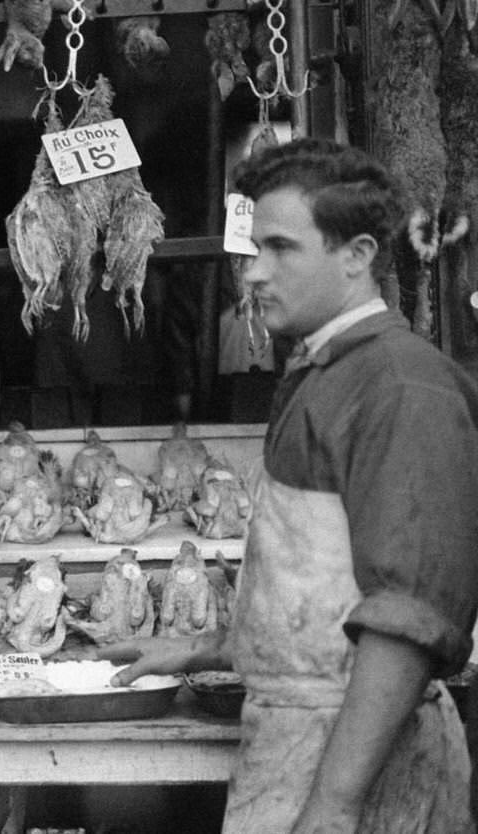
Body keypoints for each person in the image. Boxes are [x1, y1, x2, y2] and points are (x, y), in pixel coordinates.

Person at [100, 138, 478, 833]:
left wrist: (335, 804)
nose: (252, 274)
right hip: (302, 739)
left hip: (358, 758)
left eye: (280, 248)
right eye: (253, 248)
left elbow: (409, 618)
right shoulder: (323, 372)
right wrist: (217, 644)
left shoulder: (400, 386)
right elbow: (322, 579)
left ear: (357, 255)